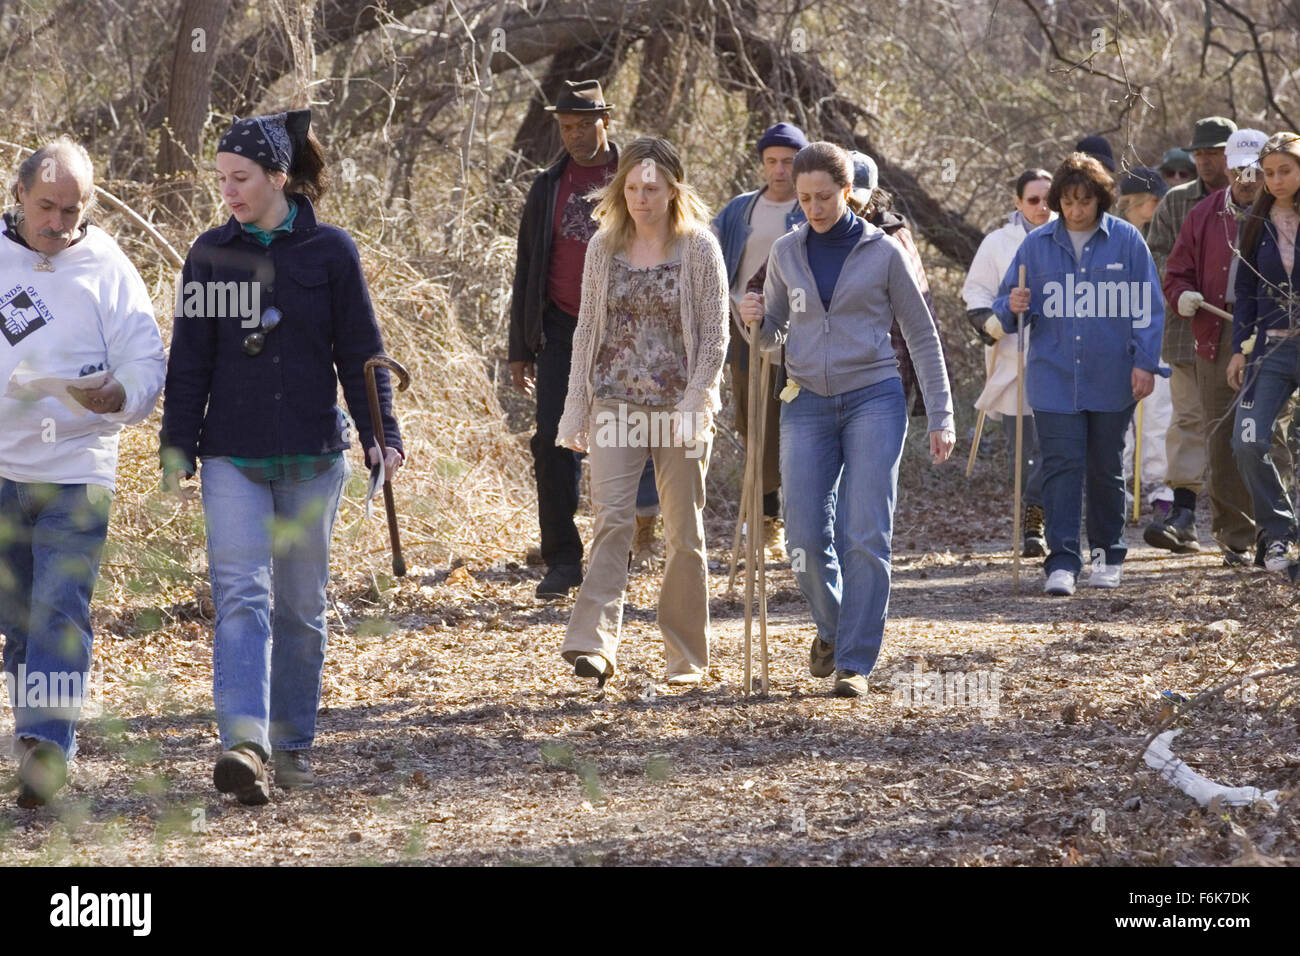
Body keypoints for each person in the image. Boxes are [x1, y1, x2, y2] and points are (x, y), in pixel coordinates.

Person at [159, 109, 404, 805]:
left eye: (240, 179)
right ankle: (244, 743)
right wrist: (177, 445)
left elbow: (362, 350)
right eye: (221, 180)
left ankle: (290, 741)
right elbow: (190, 363)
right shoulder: (210, 254)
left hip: (313, 457)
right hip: (232, 457)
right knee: (241, 597)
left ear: (277, 175)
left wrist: (382, 432)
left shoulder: (331, 252)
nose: (228, 192)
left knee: (299, 605)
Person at [741, 142, 954, 697]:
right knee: (804, 538)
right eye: (805, 198)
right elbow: (774, 337)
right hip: (805, 400)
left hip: (874, 399)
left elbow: (922, 334)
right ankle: (835, 629)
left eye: (825, 197)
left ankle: (855, 662)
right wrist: (756, 320)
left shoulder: (883, 252)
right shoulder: (787, 253)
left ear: (849, 194)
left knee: (865, 533)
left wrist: (941, 413)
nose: (813, 207)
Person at [0, 138, 165, 808]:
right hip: (5, 468)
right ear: (18, 196)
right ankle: (38, 737)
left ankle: (44, 743)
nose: (60, 224)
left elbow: (145, 358)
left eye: (72, 211)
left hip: (79, 465)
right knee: (19, 622)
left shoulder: (107, 265)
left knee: (59, 610)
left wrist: (120, 395)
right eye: (48, 207)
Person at [554, 137, 728, 686]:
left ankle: (686, 656)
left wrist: (695, 398)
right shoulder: (605, 247)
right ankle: (593, 645)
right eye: (631, 187)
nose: (641, 198)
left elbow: (716, 338)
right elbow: (587, 331)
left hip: (682, 406)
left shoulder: (699, 248)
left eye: (651, 188)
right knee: (612, 521)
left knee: (684, 531)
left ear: (673, 189)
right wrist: (575, 408)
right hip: (616, 400)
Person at [507, 80, 663, 596]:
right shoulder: (548, 183)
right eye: (565, 126)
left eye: (582, 124)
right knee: (554, 440)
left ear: (605, 121)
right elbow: (528, 265)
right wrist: (519, 348)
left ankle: (629, 539)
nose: (573, 135)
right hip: (560, 327)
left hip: (627, 328)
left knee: (628, 437)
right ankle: (562, 559)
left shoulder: (637, 177)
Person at [993, 152, 1164, 596]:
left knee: (1106, 468)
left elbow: (1149, 307)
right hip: (1053, 378)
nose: (1076, 210)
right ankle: (1062, 561)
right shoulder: (1035, 246)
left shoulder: (1126, 242)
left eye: (1085, 201)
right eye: (1067, 201)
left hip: (1113, 377)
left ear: (1100, 199)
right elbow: (1005, 307)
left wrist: (1145, 363)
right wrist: (1012, 306)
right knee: (1060, 467)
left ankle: (1108, 554)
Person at [1165, 128, 1279, 566]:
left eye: (1256, 170)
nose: (1247, 179)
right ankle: (1235, 536)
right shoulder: (1203, 214)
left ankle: (1275, 532)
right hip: (1216, 331)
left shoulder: (1283, 213)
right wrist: (1182, 298)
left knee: (1268, 436)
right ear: (1227, 170)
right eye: (1239, 170)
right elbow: (1175, 272)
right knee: (1222, 438)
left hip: (1273, 332)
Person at [711, 122, 808, 560]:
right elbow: (710, 255)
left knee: (792, 422)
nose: (780, 170)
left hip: (798, 330)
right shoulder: (740, 211)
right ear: (762, 163)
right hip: (742, 327)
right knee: (753, 422)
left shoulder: (809, 209)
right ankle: (766, 518)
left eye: (788, 161)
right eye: (772, 161)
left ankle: (797, 518)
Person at [1144, 116, 1237, 553]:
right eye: (1199, 152)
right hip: (1187, 332)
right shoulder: (1177, 202)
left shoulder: (1257, 196)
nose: (1204, 160)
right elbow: (1156, 254)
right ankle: (1182, 514)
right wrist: (1179, 288)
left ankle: (1246, 525)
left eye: (1213, 152)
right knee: (1188, 420)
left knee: (1240, 428)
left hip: (1245, 333)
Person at [962, 168, 1054, 556]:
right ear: (1017, 203)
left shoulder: (1068, 237)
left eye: (1049, 198)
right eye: (1033, 200)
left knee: (1057, 445)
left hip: (1062, 357)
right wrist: (999, 320)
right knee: (1025, 450)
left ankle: (1054, 518)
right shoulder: (998, 243)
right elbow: (976, 297)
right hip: (1013, 360)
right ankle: (1032, 520)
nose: (1042, 207)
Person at [1228, 132, 1300, 572]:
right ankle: (1277, 534)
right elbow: (1245, 290)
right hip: (1268, 350)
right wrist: (1239, 349)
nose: (1274, 180)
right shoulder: (1254, 223)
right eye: (1268, 172)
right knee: (1247, 439)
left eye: (1285, 171)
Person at [1116, 166, 1174, 518]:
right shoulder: (1113, 234)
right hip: (1116, 335)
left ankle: (1157, 483)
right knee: (1119, 413)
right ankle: (1119, 481)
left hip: (1159, 332)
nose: (1159, 205)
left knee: (1159, 411)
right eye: (1155, 200)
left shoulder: (1165, 233)